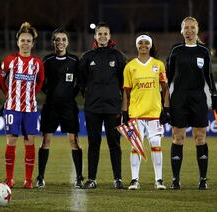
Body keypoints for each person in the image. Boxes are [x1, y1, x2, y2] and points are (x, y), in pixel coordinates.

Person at [166, 16, 217, 190]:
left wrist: (214, 95)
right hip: (179, 98)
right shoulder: (176, 50)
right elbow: (167, 78)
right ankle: (175, 180)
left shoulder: (204, 51)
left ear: (197, 30)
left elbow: (209, 76)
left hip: (198, 98)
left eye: (192, 28)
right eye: (186, 28)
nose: (189, 31)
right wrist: (164, 103)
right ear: (181, 31)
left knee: (200, 137)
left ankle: (203, 180)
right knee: (178, 137)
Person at [79, 22, 126, 189]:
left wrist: (121, 105)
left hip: (113, 108)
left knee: (115, 144)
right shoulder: (87, 57)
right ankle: (92, 179)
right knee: (94, 144)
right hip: (92, 108)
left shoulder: (118, 56)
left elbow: (124, 84)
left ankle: (118, 179)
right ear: (95, 36)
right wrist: (91, 96)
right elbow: (82, 82)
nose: (103, 37)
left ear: (110, 36)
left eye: (105, 34)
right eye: (100, 34)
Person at [0, 22, 44, 189]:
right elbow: (1, 80)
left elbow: (40, 82)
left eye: (28, 41)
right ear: (18, 42)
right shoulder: (10, 60)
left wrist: (31, 95)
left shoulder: (37, 63)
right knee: (11, 141)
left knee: (29, 141)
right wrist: (9, 95)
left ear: (32, 43)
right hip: (12, 108)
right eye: (23, 40)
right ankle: (9, 179)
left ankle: (28, 180)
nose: (25, 43)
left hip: (30, 109)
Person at [36, 28, 83, 189]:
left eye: (63, 39)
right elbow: (39, 81)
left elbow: (81, 82)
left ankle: (78, 177)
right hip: (51, 106)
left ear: (68, 42)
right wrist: (50, 93)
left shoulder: (75, 60)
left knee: (74, 140)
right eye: (57, 39)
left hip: (69, 106)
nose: (61, 42)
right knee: (46, 140)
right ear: (53, 42)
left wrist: (71, 94)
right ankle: (40, 177)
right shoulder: (47, 60)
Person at [122, 33, 170, 190]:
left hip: (154, 113)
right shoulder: (130, 67)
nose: (143, 45)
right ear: (137, 45)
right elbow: (126, 92)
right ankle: (134, 180)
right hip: (135, 113)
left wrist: (166, 109)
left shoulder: (159, 65)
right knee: (136, 146)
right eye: (140, 42)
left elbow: (165, 88)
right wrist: (124, 112)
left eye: (146, 43)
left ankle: (159, 180)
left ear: (150, 45)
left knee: (156, 144)